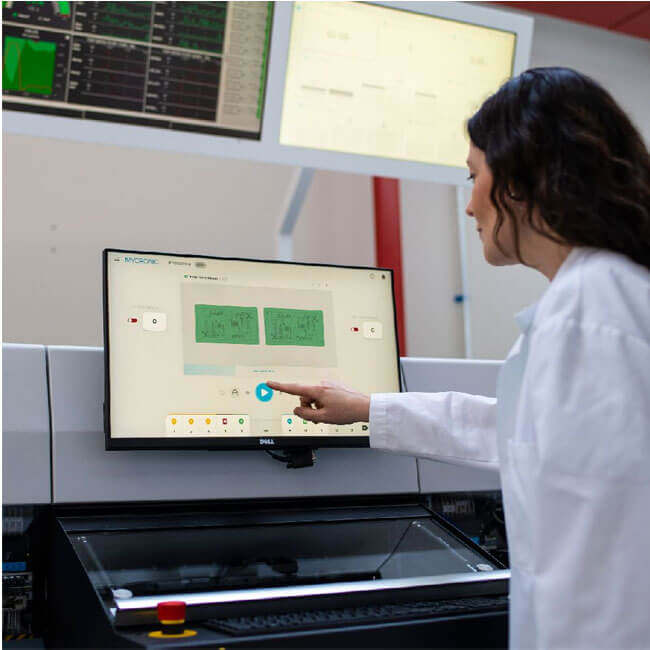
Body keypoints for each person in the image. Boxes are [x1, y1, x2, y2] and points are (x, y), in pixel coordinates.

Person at [268, 67, 650, 649]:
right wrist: (367, 408)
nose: (469, 205)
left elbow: (606, 559)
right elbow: (516, 432)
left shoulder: (590, 316)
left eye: (474, 176)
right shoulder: (603, 299)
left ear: (522, 180)